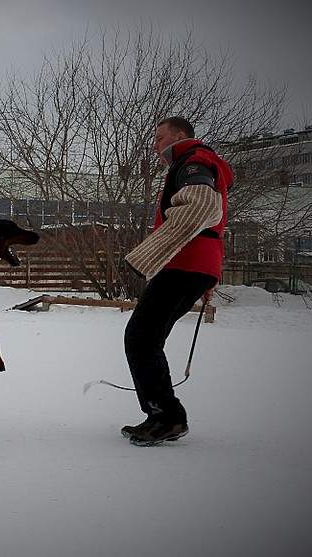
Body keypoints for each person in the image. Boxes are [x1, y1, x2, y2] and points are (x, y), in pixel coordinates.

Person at [122, 116, 232, 446]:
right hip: (192, 266)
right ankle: (161, 415)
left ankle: (168, 417)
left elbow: (201, 209)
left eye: (158, 137)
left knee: (141, 337)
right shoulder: (191, 164)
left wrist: (150, 252)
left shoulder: (195, 160)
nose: (154, 144)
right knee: (145, 337)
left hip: (184, 265)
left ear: (179, 135)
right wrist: (208, 273)